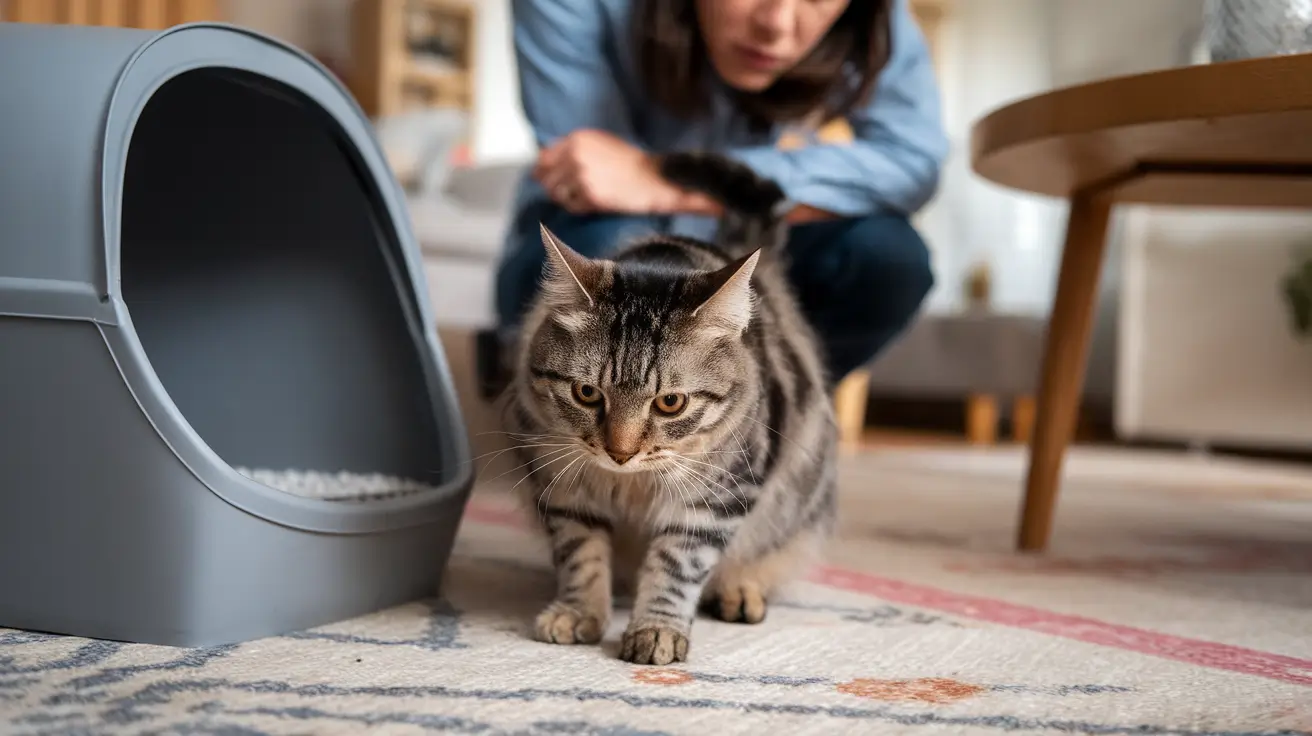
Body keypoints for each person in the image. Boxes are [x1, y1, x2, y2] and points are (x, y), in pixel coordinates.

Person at [483, 0, 947, 393]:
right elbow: (591, 176)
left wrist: (672, 180)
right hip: (595, 233)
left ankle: (757, 424)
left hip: (735, 239)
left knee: (890, 259)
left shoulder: (876, 15)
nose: (777, 25)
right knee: (618, 244)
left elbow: (913, 161)